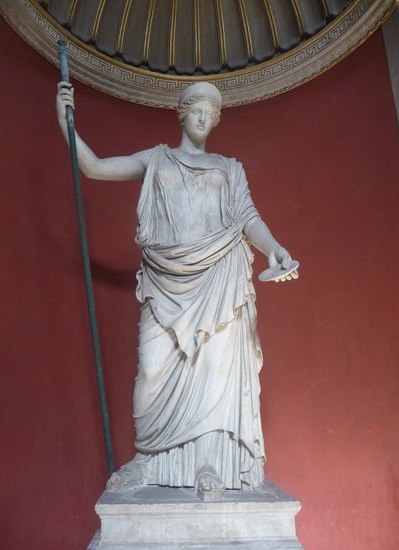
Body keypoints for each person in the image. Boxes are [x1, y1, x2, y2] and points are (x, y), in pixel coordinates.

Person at [56, 81, 298, 500]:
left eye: (211, 114)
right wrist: (66, 123)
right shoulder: (156, 159)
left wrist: (274, 248)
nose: (203, 118)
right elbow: (94, 167)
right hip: (166, 278)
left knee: (213, 374)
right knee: (152, 368)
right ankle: (147, 459)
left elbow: (248, 218)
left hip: (218, 276)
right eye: (196, 111)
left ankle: (208, 465)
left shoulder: (229, 168)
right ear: (182, 115)